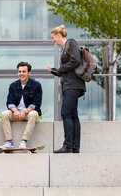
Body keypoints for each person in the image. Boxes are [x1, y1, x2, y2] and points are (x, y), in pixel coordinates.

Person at [46, 25, 86, 153]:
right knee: (73, 115)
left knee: (65, 113)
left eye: (53, 37)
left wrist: (60, 69)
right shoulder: (64, 49)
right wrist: (54, 71)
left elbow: (76, 60)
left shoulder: (71, 43)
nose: (53, 40)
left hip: (73, 85)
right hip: (69, 84)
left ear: (58, 35)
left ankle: (68, 145)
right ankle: (75, 147)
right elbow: (65, 71)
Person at [0, 61, 42, 149]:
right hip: (16, 112)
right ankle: (9, 142)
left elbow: (36, 103)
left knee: (33, 114)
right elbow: (9, 102)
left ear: (29, 73)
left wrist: (25, 112)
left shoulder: (36, 85)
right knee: (4, 114)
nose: (21, 74)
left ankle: (24, 142)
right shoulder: (13, 85)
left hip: (29, 112)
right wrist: (16, 111)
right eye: (19, 71)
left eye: (24, 71)